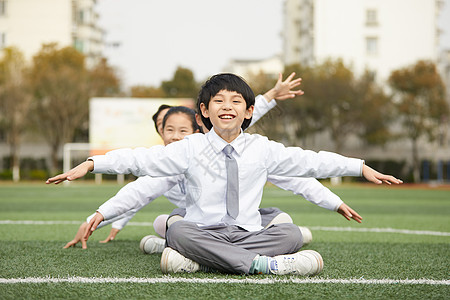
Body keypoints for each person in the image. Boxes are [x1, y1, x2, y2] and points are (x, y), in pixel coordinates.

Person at [47, 73, 402, 276]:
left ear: (248, 111)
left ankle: (204, 261)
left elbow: (309, 163)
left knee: (291, 233)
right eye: (218, 101)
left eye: (236, 102)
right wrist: (94, 164)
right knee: (178, 228)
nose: (227, 107)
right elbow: (143, 161)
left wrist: (359, 167)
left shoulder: (262, 148)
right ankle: (267, 266)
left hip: (247, 233)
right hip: (202, 231)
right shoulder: (188, 149)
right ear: (204, 111)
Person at [65, 73, 323, 248]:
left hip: (236, 223)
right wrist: (100, 219)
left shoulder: (213, 144)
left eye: (181, 130)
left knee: (276, 218)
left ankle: (283, 236)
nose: (173, 136)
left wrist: (270, 96)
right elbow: (137, 193)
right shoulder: (172, 159)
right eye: (165, 128)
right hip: (197, 225)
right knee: (169, 224)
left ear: (198, 127)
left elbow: (243, 116)